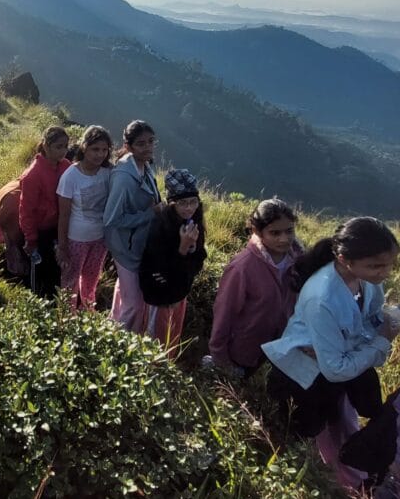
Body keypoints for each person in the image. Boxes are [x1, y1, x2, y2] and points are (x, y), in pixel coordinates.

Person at [263, 217, 399, 439]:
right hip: (304, 377)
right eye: (376, 266)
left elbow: (369, 319)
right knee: (303, 430)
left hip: (330, 364)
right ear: (345, 260)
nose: (385, 272)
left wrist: (345, 345)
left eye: (390, 264)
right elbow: (335, 369)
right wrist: (382, 340)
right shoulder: (323, 298)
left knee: (340, 414)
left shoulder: (367, 280)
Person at [209, 198, 301, 376]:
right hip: (242, 349)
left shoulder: (297, 260)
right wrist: (220, 357)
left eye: (289, 231)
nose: (284, 239)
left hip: (275, 345)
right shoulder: (242, 267)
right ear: (257, 232)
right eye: (274, 233)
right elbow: (224, 313)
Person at [138, 168, 207, 354]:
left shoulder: (194, 222)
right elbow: (158, 267)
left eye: (193, 202)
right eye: (183, 203)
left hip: (179, 292)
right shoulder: (160, 226)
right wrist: (183, 248)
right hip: (160, 296)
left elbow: (200, 258)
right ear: (172, 204)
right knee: (155, 344)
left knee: (171, 339)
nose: (189, 208)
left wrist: (192, 249)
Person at [103, 120, 161, 333]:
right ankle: (122, 346)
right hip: (124, 247)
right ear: (128, 146)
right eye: (141, 144)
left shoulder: (143, 166)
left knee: (125, 291)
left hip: (135, 243)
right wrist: (148, 215)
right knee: (135, 304)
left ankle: (112, 327)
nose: (148, 147)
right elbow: (111, 220)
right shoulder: (124, 178)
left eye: (151, 142)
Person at [56, 125, 113, 311]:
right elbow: (63, 215)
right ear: (84, 147)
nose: (100, 154)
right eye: (95, 149)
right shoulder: (71, 176)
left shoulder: (107, 173)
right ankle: (66, 318)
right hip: (77, 239)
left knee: (91, 279)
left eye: (104, 150)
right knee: (70, 281)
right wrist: (62, 246)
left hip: (100, 238)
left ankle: (88, 314)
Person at [18, 126, 71, 296]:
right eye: (58, 147)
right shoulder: (32, 175)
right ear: (46, 146)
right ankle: (35, 308)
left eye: (65, 146)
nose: (63, 151)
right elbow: (26, 210)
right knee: (38, 271)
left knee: (55, 269)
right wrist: (31, 239)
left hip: (59, 227)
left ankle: (54, 304)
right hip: (40, 232)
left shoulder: (66, 166)